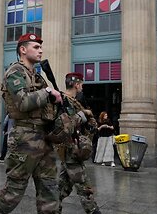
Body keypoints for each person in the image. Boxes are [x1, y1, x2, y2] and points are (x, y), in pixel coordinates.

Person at [0, 33, 62, 214]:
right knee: (14, 189)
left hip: (44, 136)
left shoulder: (37, 76)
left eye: (40, 47)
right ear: (23, 50)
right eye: (36, 47)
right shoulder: (15, 72)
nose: (41, 50)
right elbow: (23, 103)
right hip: (25, 137)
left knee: (50, 189)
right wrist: (47, 93)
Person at [57, 72, 101, 214]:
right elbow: (66, 125)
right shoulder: (64, 101)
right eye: (81, 84)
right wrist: (84, 115)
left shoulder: (75, 101)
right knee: (84, 187)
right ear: (76, 84)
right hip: (71, 148)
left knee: (63, 186)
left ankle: (50, 207)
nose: (82, 87)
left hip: (73, 148)